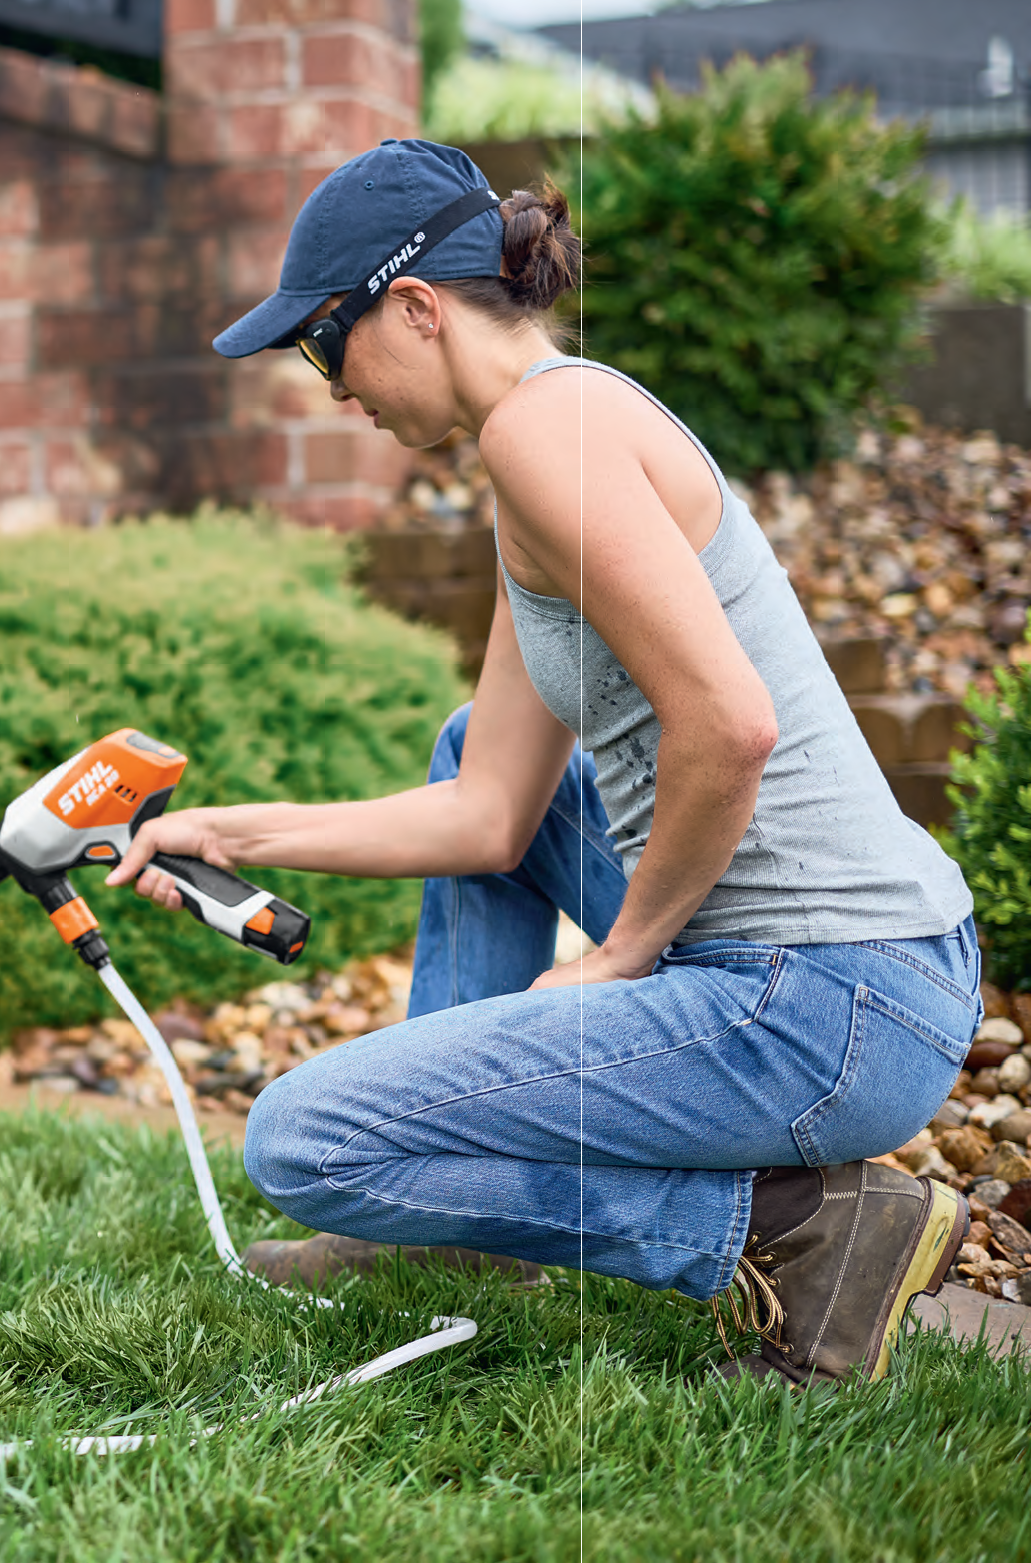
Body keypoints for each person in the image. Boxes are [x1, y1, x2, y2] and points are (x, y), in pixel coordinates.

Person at [108, 139, 980, 1385]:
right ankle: (457, 1238)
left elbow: (730, 727)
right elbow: (485, 815)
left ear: (410, 307)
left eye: (320, 344)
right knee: (473, 744)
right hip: (865, 975)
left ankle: (805, 1233)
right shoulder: (548, 434)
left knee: (305, 1143)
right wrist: (232, 835)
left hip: (828, 998)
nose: (329, 388)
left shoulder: (545, 434)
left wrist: (616, 963)